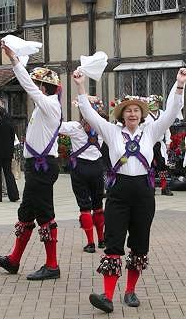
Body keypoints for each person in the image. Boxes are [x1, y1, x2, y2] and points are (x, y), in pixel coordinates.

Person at [74, 66, 186, 313]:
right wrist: (81, 86)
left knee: (139, 244)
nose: (133, 114)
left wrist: (179, 84)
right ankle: (106, 296)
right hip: (118, 192)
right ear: (122, 115)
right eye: (129, 111)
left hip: (144, 194)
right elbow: (90, 115)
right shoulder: (111, 132)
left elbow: (171, 113)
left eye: (137, 110)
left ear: (142, 114)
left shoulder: (152, 131)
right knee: (114, 242)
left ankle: (130, 291)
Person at [0, 44, 62, 281]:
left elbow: (28, 86)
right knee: (26, 213)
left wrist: (15, 60)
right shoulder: (44, 108)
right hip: (35, 167)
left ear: (44, 87)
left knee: (44, 214)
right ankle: (13, 260)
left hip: (42, 167)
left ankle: (52, 265)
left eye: (38, 85)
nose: (35, 88)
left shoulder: (49, 104)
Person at [60, 96, 107, 253]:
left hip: (80, 168)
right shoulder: (102, 128)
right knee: (98, 205)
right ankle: (101, 240)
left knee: (84, 207)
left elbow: (56, 125)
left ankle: (90, 243)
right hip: (97, 168)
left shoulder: (75, 127)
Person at [145, 95, 173, 196]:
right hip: (148, 143)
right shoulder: (145, 115)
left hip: (159, 143)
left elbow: (167, 128)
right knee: (149, 165)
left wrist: (168, 142)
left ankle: (164, 187)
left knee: (162, 165)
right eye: (154, 102)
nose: (156, 104)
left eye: (157, 102)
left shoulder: (162, 113)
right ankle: (151, 188)